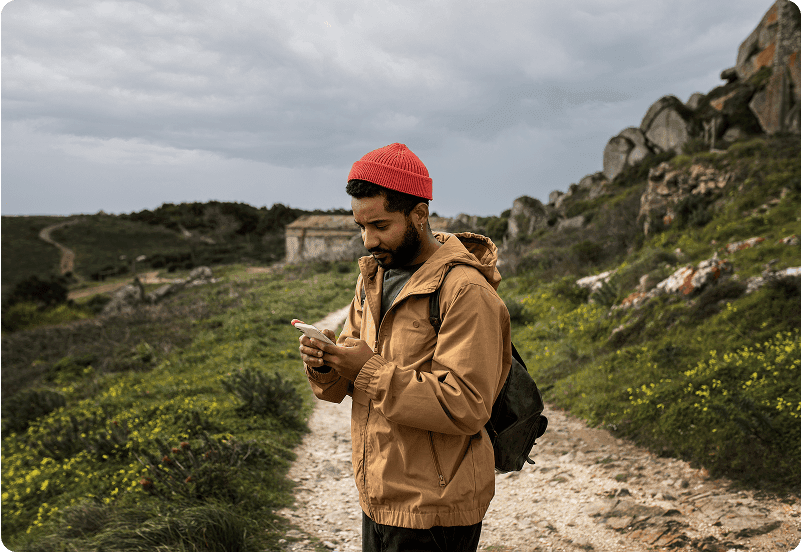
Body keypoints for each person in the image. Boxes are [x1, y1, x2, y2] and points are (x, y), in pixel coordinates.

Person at [298, 143, 512, 552]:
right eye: (361, 227)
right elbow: (346, 377)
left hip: (435, 508)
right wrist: (326, 363)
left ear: (419, 214)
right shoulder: (374, 278)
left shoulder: (465, 291)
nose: (368, 241)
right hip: (379, 496)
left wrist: (369, 369)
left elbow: (466, 405)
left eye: (380, 226)